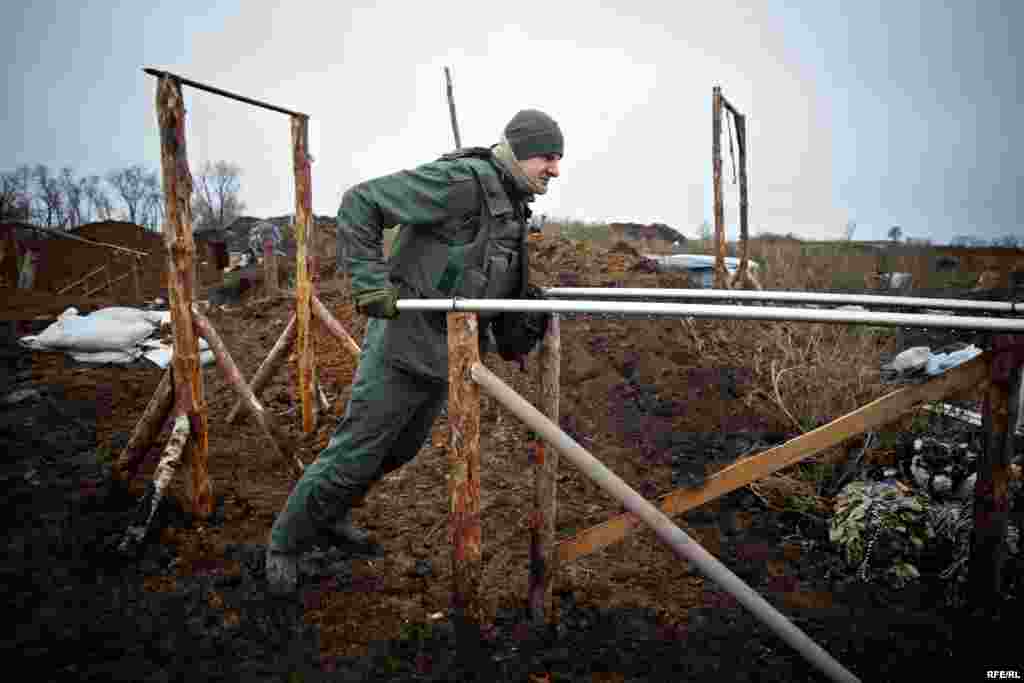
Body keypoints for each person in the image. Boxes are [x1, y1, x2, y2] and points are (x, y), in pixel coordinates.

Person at [266, 109, 564, 594]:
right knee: (355, 454)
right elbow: (361, 202)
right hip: (402, 345)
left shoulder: (509, 202)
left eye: (557, 159)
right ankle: (285, 543)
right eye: (548, 158)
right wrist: (368, 281)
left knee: (398, 451)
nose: (554, 169)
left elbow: (482, 271)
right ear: (520, 152)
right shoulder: (462, 182)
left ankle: (331, 513)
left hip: (444, 353)